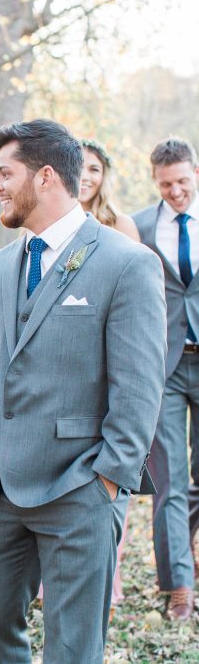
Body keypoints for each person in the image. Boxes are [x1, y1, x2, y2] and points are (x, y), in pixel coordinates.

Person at [0, 119, 166, 664]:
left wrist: (106, 482)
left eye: (5, 174)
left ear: (46, 176)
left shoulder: (126, 263)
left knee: (72, 658)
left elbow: (138, 392)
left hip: (78, 489)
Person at [134, 137, 199, 621]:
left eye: (182, 182)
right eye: (166, 185)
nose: (175, 192)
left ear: (195, 173)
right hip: (166, 367)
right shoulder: (138, 227)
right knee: (168, 479)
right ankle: (179, 586)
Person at [80, 139, 141, 607]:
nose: (86, 176)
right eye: (79, 167)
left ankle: (109, 575)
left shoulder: (119, 226)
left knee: (111, 468)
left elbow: (134, 303)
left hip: (106, 359)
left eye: (95, 169)